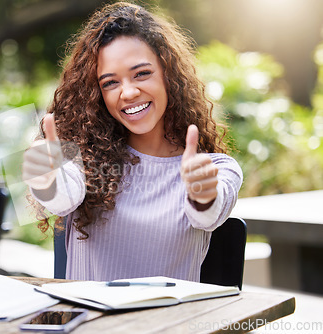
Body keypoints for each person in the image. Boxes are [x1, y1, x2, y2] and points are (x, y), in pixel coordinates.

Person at [22, 2, 243, 282]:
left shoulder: (217, 168)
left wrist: (202, 194)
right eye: (110, 83)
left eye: (141, 73)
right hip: (90, 325)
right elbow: (63, 197)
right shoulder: (86, 159)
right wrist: (46, 176)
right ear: (97, 93)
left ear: (168, 75)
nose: (127, 92)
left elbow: (208, 214)